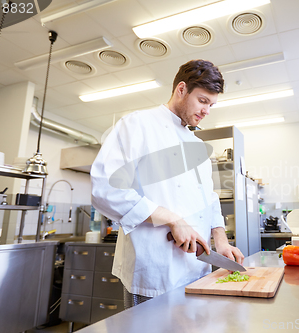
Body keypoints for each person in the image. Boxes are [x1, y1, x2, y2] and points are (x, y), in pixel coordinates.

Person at [90, 59, 244, 309]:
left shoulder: (195, 144)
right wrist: (173, 219)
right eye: (203, 101)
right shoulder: (136, 125)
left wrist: (221, 239)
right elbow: (105, 189)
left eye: (211, 105)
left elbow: (209, 197)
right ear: (181, 89)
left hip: (198, 269)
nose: (207, 111)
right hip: (154, 272)